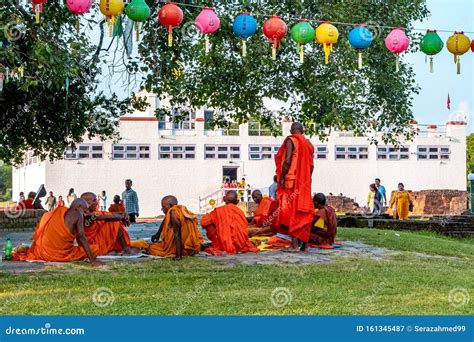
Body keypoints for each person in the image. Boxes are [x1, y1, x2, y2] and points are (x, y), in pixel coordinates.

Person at [25, 198, 104, 265]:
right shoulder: (78, 214)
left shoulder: (58, 211)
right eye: (85, 211)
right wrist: (92, 260)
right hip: (59, 255)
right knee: (94, 249)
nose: (85, 214)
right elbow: (82, 237)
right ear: (79, 207)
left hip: (42, 253)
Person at [275, 122, 315, 252]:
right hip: (304, 182)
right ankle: (305, 244)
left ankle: (294, 245)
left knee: (292, 211)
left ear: (293, 130)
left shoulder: (292, 140)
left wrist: (282, 177)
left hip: (291, 181)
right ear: (302, 131)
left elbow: (287, 161)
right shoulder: (308, 144)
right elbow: (311, 165)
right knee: (303, 209)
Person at [131, 196, 203, 260]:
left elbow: (177, 234)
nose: (162, 209)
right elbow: (164, 221)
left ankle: (178, 253)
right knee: (152, 245)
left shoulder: (173, 213)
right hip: (190, 247)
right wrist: (158, 234)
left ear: (170, 205)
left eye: (163, 206)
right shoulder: (177, 211)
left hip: (183, 249)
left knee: (151, 248)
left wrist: (178, 256)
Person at [201, 191, 258, 255]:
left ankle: (218, 244)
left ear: (224, 199)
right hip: (241, 244)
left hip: (224, 243)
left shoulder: (218, 211)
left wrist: (216, 229)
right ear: (237, 201)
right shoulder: (240, 212)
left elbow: (203, 221)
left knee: (209, 222)